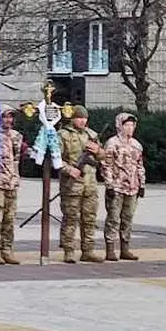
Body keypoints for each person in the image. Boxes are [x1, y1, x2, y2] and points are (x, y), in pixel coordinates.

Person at [58, 105, 103, 264]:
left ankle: (88, 250)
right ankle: (69, 250)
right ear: (73, 118)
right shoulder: (63, 135)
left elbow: (103, 159)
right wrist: (69, 169)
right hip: (72, 186)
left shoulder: (92, 135)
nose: (82, 120)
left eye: (84, 118)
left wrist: (98, 152)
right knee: (71, 219)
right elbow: (56, 159)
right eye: (79, 117)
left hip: (90, 185)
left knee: (90, 219)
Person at [102, 112, 145, 261]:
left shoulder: (136, 145)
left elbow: (140, 165)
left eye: (132, 125)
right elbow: (106, 165)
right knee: (113, 218)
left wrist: (142, 184)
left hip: (132, 187)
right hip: (116, 187)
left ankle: (125, 248)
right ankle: (110, 248)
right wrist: (109, 185)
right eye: (127, 125)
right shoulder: (112, 143)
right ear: (120, 126)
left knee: (128, 218)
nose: (130, 128)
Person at [0, 105, 23, 265]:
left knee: (9, 219)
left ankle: (7, 249)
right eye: (5, 117)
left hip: (12, 182)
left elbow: (17, 158)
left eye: (11, 117)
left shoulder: (17, 136)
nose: (8, 120)